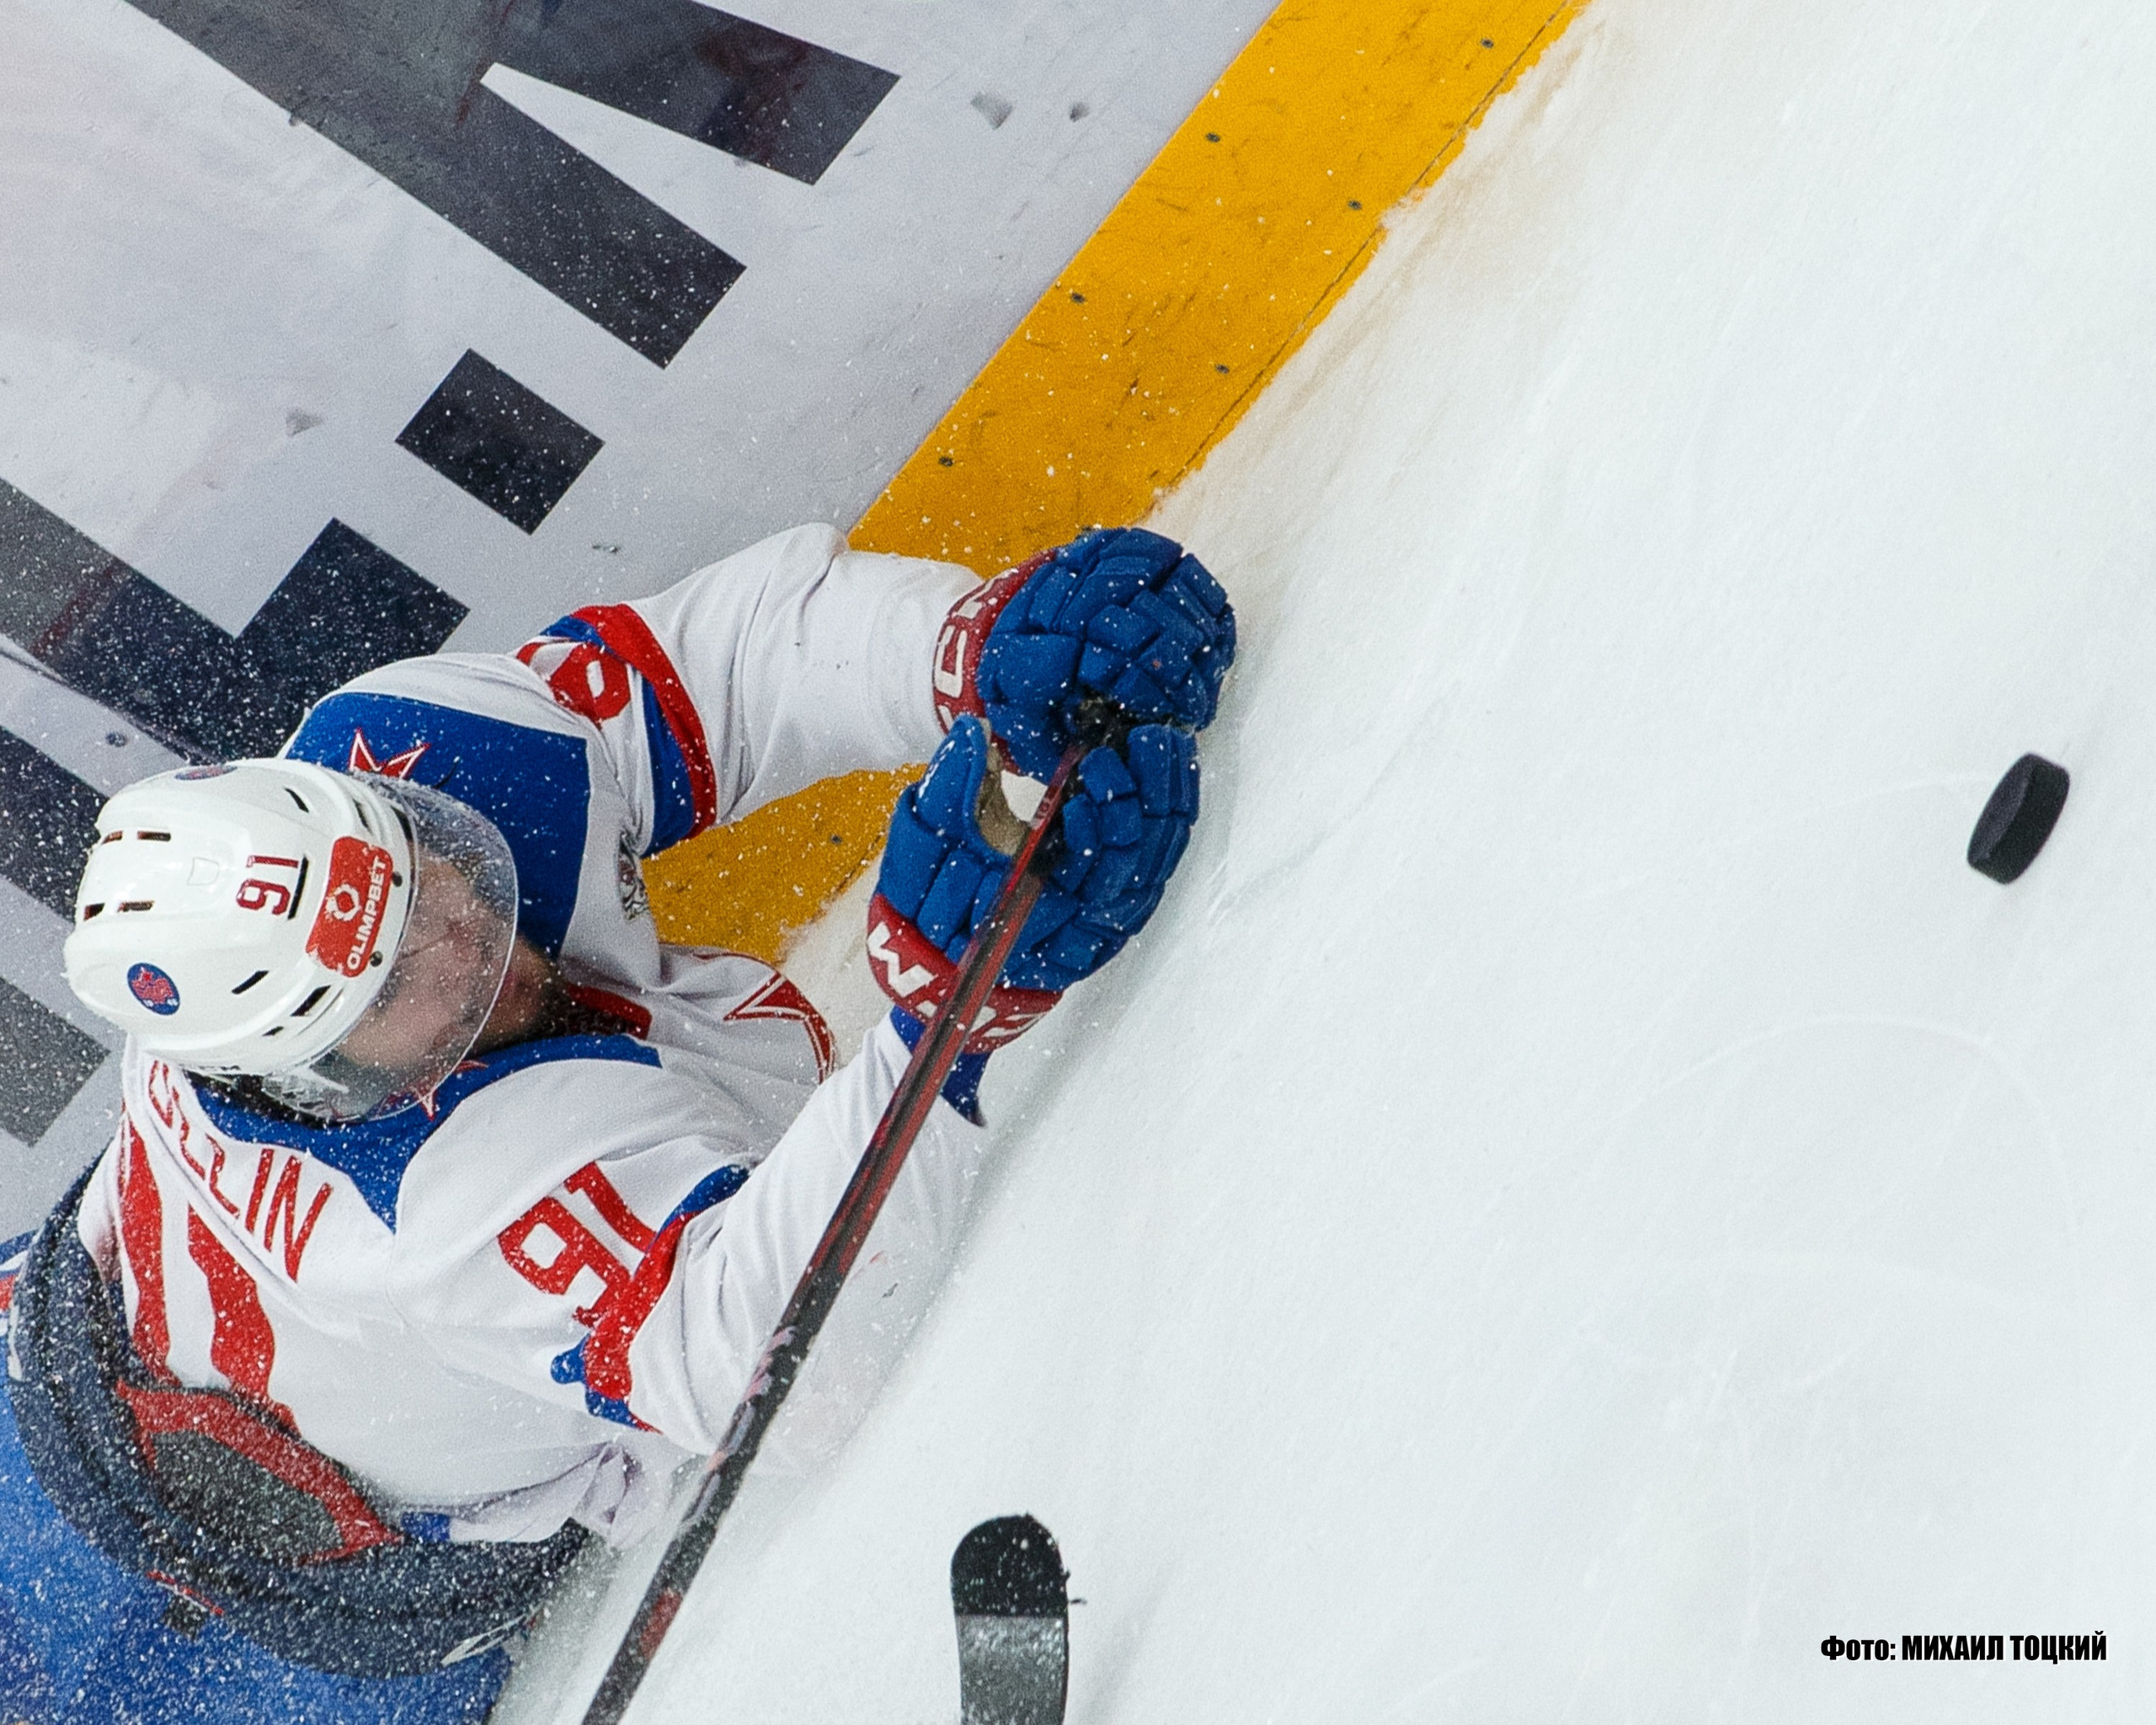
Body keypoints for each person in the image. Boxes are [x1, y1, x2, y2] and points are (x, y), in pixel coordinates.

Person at [0, 523, 1233, 1723]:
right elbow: (770, 1368)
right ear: (315, 1079)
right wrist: (934, 1020)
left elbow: (715, 673)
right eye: (393, 987)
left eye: (418, 867)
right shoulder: (426, 1212)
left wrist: (962, 646)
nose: (455, 933)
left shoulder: (414, 748)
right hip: (289, 1634)